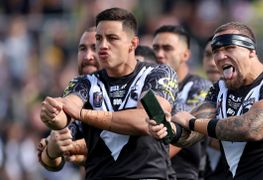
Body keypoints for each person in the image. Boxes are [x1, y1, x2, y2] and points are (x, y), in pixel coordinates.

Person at [148, 21, 263, 179]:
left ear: (251, 51)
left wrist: (192, 122)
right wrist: (168, 129)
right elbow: (190, 135)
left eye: (229, 48)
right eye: (216, 51)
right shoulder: (219, 89)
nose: (220, 57)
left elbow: (252, 128)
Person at [40, 7, 178, 179]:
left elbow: (145, 120)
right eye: (99, 38)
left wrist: (83, 113)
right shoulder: (84, 82)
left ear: (133, 44)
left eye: (112, 38)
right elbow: (66, 112)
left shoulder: (158, 74)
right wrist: (53, 115)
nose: (103, 46)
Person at [152, 25, 212, 180]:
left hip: (183, 173)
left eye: (167, 48)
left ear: (185, 55)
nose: (159, 54)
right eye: (156, 48)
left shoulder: (202, 88)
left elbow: (183, 130)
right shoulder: (146, 86)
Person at [37, 26, 98, 172]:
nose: (87, 56)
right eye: (82, 49)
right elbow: (51, 159)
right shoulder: (79, 90)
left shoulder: (131, 88)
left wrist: (77, 150)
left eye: (94, 48)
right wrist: (52, 150)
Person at [201, 37, 225, 180]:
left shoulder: (248, 97)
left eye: (217, 54)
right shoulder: (196, 96)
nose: (211, 62)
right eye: (207, 55)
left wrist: (197, 129)